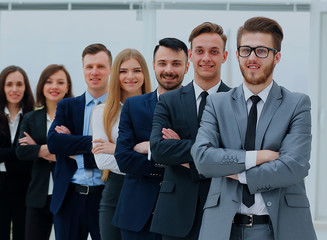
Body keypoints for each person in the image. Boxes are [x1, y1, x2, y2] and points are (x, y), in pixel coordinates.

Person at [191, 17, 317, 240]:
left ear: (276, 56)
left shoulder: (297, 104)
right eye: (246, 50)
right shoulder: (217, 103)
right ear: (237, 54)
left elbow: (294, 166)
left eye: (261, 51)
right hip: (222, 228)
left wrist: (234, 172)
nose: (252, 58)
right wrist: (258, 157)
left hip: (279, 228)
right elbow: (202, 158)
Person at [150, 22, 230, 240]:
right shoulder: (168, 101)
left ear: (224, 56)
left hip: (223, 209)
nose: (206, 58)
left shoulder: (237, 102)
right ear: (191, 55)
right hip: (175, 213)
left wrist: (181, 149)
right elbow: (158, 149)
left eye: (214, 52)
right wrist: (213, 153)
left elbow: (237, 154)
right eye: (200, 51)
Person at [112, 38, 189, 240]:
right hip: (136, 215)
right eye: (162, 63)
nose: (168, 69)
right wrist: (175, 157)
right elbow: (123, 158)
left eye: (176, 63)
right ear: (154, 66)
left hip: (182, 216)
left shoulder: (200, 106)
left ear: (187, 67)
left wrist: (153, 150)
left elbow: (201, 157)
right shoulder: (133, 106)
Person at [47, 43, 112, 240]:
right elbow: (54, 144)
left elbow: (121, 150)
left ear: (110, 69)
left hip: (105, 196)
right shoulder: (67, 106)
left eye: (100, 66)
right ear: (83, 69)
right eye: (89, 66)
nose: (94, 72)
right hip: (69, 197)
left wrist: (74, 144)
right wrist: (98, 144)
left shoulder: (120, 108)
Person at [91, 48, 152, 240]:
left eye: (137, 70)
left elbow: (164, 157)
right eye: (123, 71)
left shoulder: (159, 107)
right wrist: (141, 154)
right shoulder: (102, 112)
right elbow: (102, 160)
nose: (130, 76)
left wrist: (117, 150)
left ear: (145, 74)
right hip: (115, 193)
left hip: (150, 192)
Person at [16, 64, 73, 240]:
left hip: (68, 195)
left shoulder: (74, 118)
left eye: (60, 82)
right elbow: (20, 152)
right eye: (49, 82)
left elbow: (78, 154)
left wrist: (37, 148)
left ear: (67, 87)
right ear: (42, 86)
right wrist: (57, 150)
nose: (54, 86)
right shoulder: (31, 118)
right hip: (38, 196)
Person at [0, 65, 34, 240]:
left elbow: (32, 157)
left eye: (19, 84)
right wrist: (19, 151)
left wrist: (0, 152)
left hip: (25, 190)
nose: (14, 89)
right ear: (2, 88)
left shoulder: (33, 118)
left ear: (25, 88)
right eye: (9, 84)